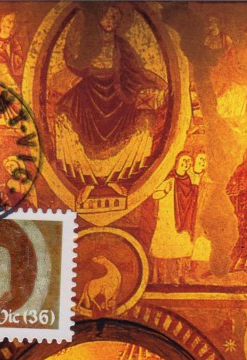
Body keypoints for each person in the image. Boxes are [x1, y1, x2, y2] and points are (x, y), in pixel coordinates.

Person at [54, 4, 166, 200]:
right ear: (99, 19)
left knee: (145, 120)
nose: (110, 21)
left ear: (119, 22)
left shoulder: (122, 46)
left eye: (114, 17)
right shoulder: (90, 42)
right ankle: (88, 182)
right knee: (64, 115)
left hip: (118, 94)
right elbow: (75, 63)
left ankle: (113, 178)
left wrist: (156, 82)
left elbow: (135, 70)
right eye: (106, 16)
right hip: (89, 93)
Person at [149, 152, 199, 284]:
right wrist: (165, 191)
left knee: (182, 248)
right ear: (177, 163)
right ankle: (161, 278)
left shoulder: (190, 181)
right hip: (168, 218)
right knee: (163, 249)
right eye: (184, 161)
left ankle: (180, 277)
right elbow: (155, 195)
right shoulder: (169, 179)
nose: (186, 164)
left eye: (189, 162)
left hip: (184, 220)